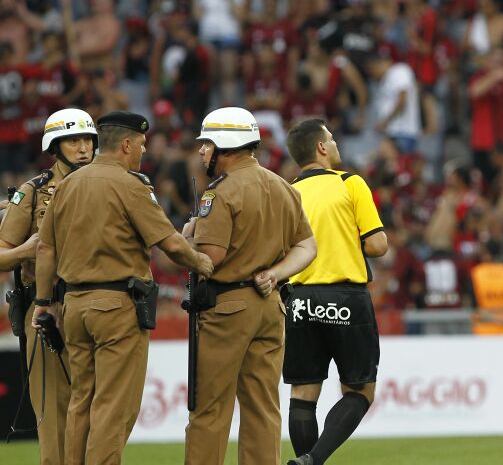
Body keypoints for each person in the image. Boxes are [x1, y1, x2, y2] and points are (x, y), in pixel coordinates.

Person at [32, 111, 213, 464]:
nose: (143, 152)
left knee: (81, 400)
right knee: (113, 406)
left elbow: (45, 248)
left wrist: (43, 301)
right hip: (116, 306)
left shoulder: (67, 184)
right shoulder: (131, 185)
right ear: (127, 144)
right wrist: (203, 263)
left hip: (74, 306)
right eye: (141, 145)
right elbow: (170, 245)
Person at [184, 106, 317, 465]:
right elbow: (308, 246)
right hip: (270, 305)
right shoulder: (282, 187)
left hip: (227, 309)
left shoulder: (219, 194)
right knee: (262, 408)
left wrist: (185, 239)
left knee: (209, 409)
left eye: (206, 143)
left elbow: (211, 257)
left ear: (224, 146)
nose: (201, 151)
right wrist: (276, 273)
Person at [282, 117, 388, 465]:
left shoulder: (288, 191)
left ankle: (306, 460)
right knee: (360, 391)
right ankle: (314, 460)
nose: (337, 144)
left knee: (303, 393)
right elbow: (377, 245)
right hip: (345, 298)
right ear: (322, 148)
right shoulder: (350, 183)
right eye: (333, 138)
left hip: (299, 300)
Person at [0, 108, 96, 464]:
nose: (84, 147)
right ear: (55, 146)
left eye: (88, 139)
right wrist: (27, 250)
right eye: (74, 140)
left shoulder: (112, 184)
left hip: (99, 309)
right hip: (48, 311)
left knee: (99, 408)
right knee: (54, 412)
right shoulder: (34, 191)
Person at [470, 239, 503, 335]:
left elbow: (474, 309)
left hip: (482, 334)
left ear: (486, 255)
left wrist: (498, 321)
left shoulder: (475, 274)